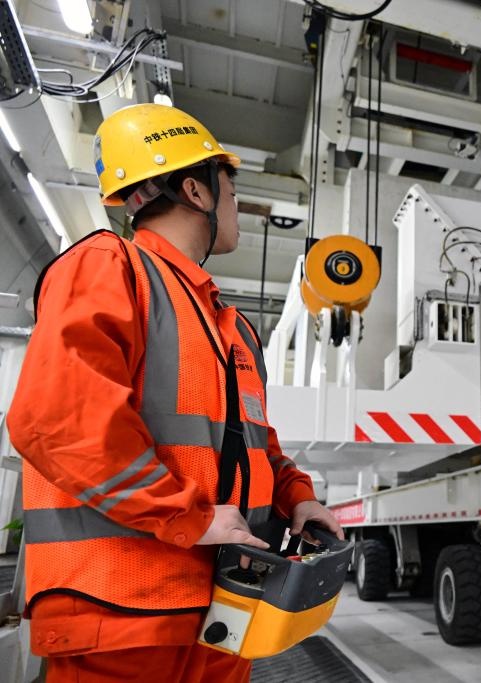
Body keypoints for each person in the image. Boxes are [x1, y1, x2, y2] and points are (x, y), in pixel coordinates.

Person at [6, 103, 342, 682]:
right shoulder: (108, 267)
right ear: (196, 190)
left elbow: (254, 444)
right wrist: (191, 518)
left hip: (225, 609)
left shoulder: (231, 325)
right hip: (122, 612)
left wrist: (297, 499)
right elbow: (59, 422)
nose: (237, 209)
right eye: (231, 192)